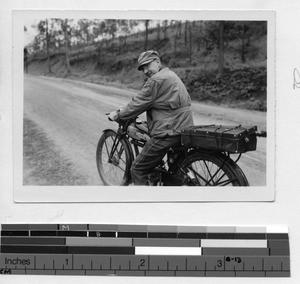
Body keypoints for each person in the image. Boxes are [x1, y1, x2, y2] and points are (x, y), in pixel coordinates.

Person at [108, 50, 194, 185]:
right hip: (184, 127)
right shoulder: (170, 74)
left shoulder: (155, 81)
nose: (146, 70)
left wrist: (118, 114)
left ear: (158, 62)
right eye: (143, 68)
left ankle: (145, 204)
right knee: (173, 165)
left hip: (169, 132)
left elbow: (137, 103)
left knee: (137, 169)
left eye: (148, 65)